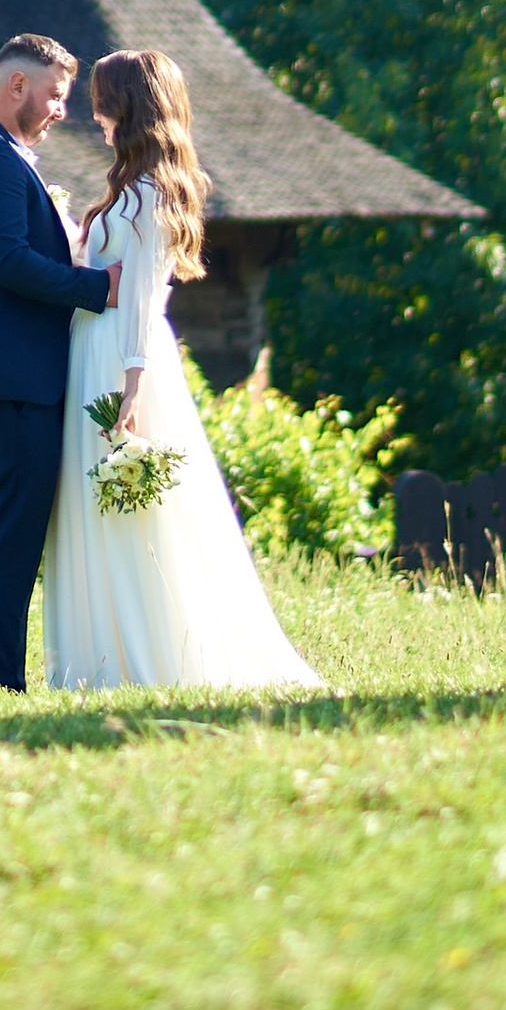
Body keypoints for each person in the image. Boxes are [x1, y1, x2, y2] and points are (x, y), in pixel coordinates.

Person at [41, 47, 318, 693]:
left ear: (126, 106)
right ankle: (107, 649)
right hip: (103, 346)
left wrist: (129, 386)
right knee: (108, 505)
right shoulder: (133, 190)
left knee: (130, 507)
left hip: (119, 354)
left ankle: (144, 652)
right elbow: (107, 272)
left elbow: (140, 294)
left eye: (103, 103)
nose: (95, 117)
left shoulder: (146, 195)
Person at [0, 32, 119, 694]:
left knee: (11, 534)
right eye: (54, 95)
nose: (60, 111)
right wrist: (100, 287)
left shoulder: (3, 153)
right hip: (3, 378)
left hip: (4, 377)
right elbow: (6, 260)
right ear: (17, 86)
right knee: (9, 537)